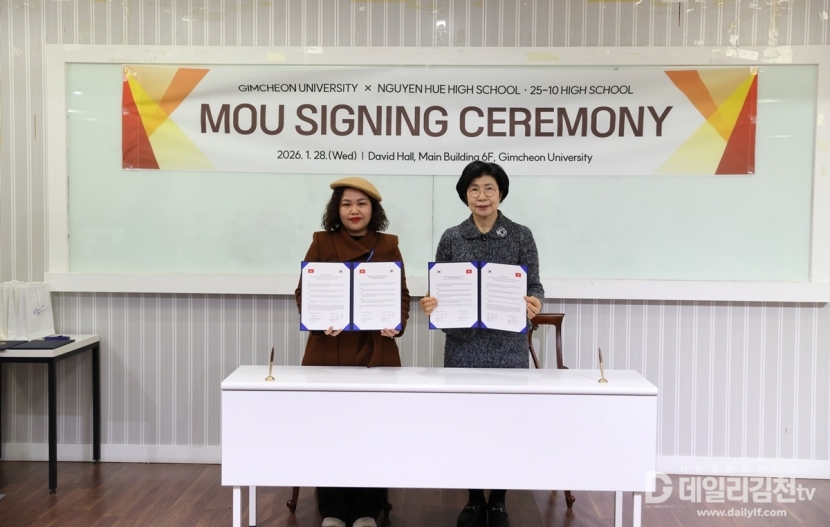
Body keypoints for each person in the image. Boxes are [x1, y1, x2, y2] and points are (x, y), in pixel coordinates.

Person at [419, 161, 543, 527]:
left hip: (508, 347)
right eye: (474, 189)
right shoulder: (452, 237)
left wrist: (535, 302)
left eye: (489, 188)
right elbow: (439, 286)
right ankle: (474, 499)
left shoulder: (520, 235)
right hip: (464, 346)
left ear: (501, 192)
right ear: (465, 195)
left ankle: (499, 500)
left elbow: (534, 285)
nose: (482, 196)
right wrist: (431, 303)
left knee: (506, 425)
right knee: (467, 424)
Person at [295, 176, 410, 527]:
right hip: (329, 349)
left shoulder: (388, 244)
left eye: (361, 204)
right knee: (328, 430)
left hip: (375, 351)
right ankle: (331, 509)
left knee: (373, 431)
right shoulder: (321, 242)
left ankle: (366, 509)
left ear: (373, 210)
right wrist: (319, 321)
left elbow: (401, 295)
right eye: (346, 204)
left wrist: (396, 323)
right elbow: (304, 292)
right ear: (337, 210)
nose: (354, 211)